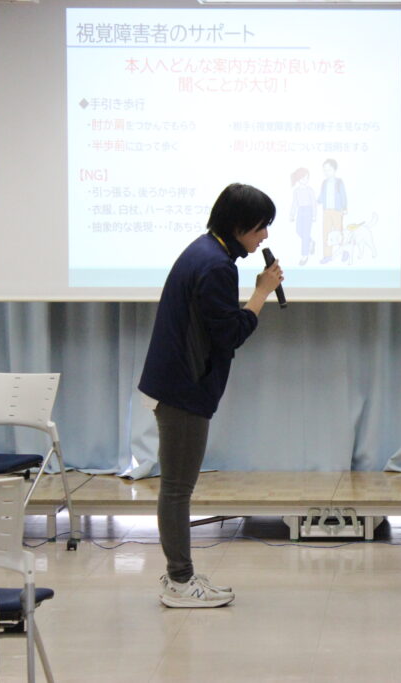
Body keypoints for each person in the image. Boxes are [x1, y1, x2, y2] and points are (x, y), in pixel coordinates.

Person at [139, 183, 284, 608]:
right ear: (239, 225)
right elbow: (231, 334)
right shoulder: (217, 266)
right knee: (177, 488)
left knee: (175, 486)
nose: (265, 236)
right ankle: (179, 581)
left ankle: (180, 574)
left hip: (174, 383)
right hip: (183, 389)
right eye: (261, 227)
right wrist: (261, 293)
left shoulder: (204, 251)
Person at [317, 159, 347, 264]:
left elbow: (343, 195)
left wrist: (344, 208)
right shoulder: (324, 183)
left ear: (334, 170)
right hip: (326, 211)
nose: (326, 172)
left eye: (329, 170)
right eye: (324, 170)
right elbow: (322, 195)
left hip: (337, 211)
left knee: (339, 233)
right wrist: (317, 201)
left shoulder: (339, 182)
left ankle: (344, 252)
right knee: (326, 233)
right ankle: (327, 256)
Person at [289, 168, 316, 265]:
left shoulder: (310, 190)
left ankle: (304, 255)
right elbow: (294, 203)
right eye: (303, 178)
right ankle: (311, 242)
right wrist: (292, 215)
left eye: (307, 178)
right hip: (300, 212)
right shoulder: (296, 191)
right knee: (299, 231)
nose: (305, 180)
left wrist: (314, 215)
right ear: (299, 178)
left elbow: (314, 203)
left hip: (308, 211)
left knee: (305, 234)